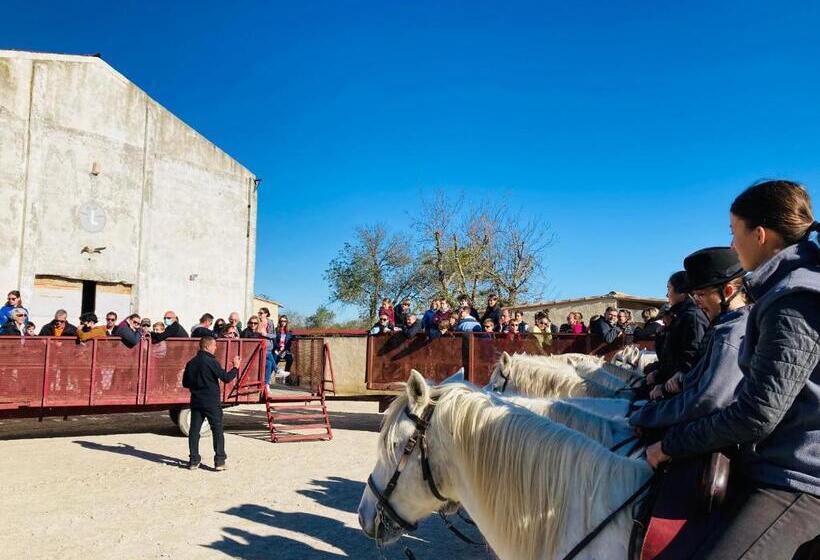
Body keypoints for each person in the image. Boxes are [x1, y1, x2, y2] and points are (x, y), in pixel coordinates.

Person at [646, 180, 820, 556]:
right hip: (775, 459)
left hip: (799, 476)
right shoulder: (782, 292)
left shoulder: (793, 299)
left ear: (759, 235)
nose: (731, 245)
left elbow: (757, 414)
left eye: (733, 232)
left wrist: (671, 444)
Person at [630, 246, 749, 429]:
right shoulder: (721, 324)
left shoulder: (731, 334)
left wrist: (645, 417)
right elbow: (697, 376)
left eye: (701, 294)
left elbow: (708, 399)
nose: (697, 302)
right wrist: (680, 380)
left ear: (727, 291)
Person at [645, 271, 710, 394]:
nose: (667, 294)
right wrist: (658, 373)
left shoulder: (692, 317)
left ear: (682, 291)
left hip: (682, 391)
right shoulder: (680, 316)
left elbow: (692, 358)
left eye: (669, 288)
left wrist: (664, 386)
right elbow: (671, 358)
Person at [182, 336, 239, 471]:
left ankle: (194, 461)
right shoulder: (212, 362)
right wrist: (235, 367)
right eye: (214, 345)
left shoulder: (191, 363)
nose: (215, 348)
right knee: (217, 430)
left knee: (194, 431)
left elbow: (185, 383)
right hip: (211, 402)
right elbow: (226, 378)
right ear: (207, 346)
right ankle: (219, 461)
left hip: (196, 401)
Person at [256, 307, 276, 386]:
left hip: (268, 346)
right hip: (259, 346)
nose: (259, 314)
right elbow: (256, 332)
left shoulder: (270, 322)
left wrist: (266, 334)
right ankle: (277, 370)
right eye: (259, 313)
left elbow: (274, 335)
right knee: (269, 362)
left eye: (261, 313)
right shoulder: (257, 321)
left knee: (269, 363)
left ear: (266, 314)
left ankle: (266, 384)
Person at [271, 315, 294, 380]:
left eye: (284, 321)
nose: (283, 322)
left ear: (287, 322)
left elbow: (289, 343)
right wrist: (279, 348)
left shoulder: (289, 332)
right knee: (274, 361)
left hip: (285, 350)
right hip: (277, 349)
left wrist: (284, 349)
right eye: (281, 321)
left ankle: (285, 374)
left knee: (290, 359)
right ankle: (268, 378)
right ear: (279, 322)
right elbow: (274, 340)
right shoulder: (276, 330)